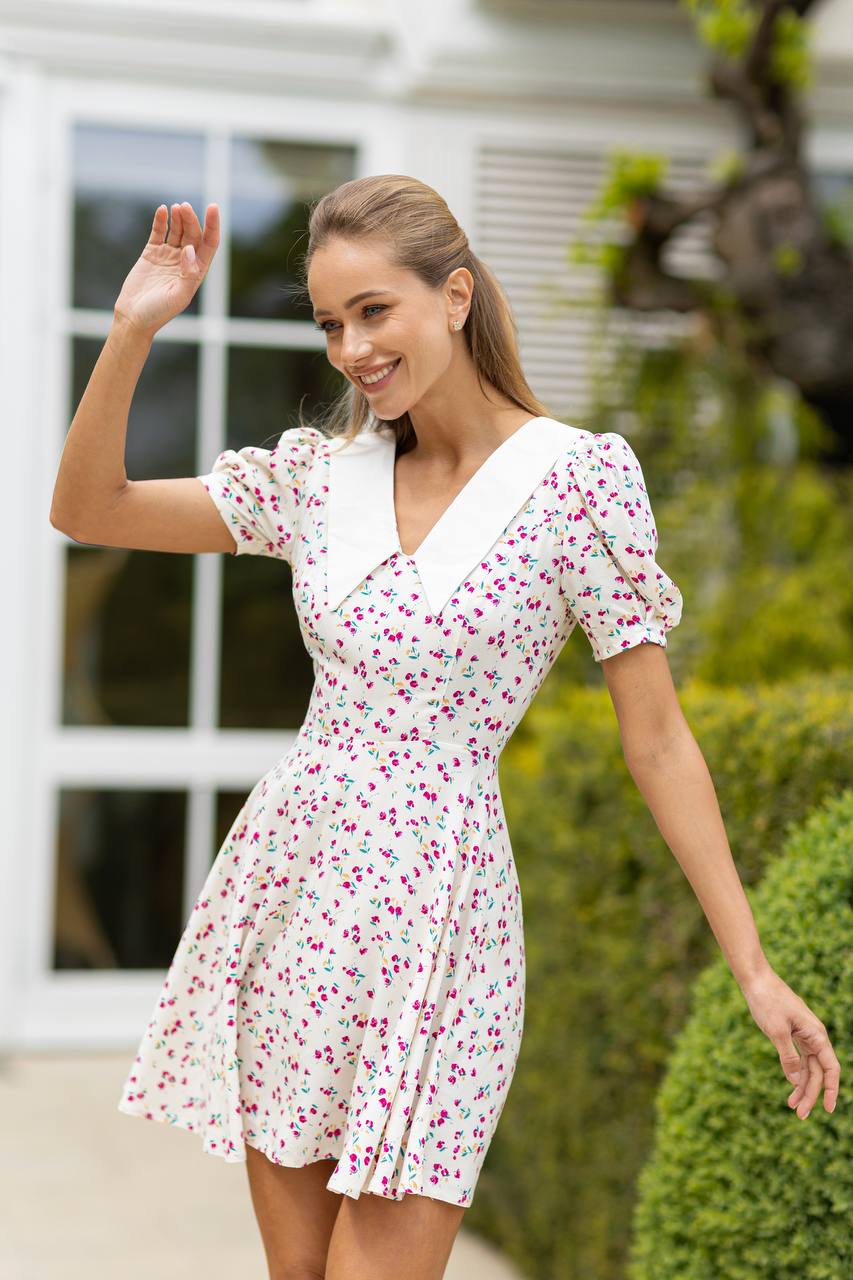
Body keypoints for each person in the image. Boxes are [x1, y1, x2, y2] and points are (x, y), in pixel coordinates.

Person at [50, 175, 840, 1280]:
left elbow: (656, 740)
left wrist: (753, 967)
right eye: (330, 324)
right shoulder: (319, 477)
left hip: (443, 924)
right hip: (300, 896)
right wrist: (133, 329)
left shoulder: (578, 482)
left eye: (374, 311)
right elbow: (88, 507)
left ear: (455, 294)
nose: (350, 350)